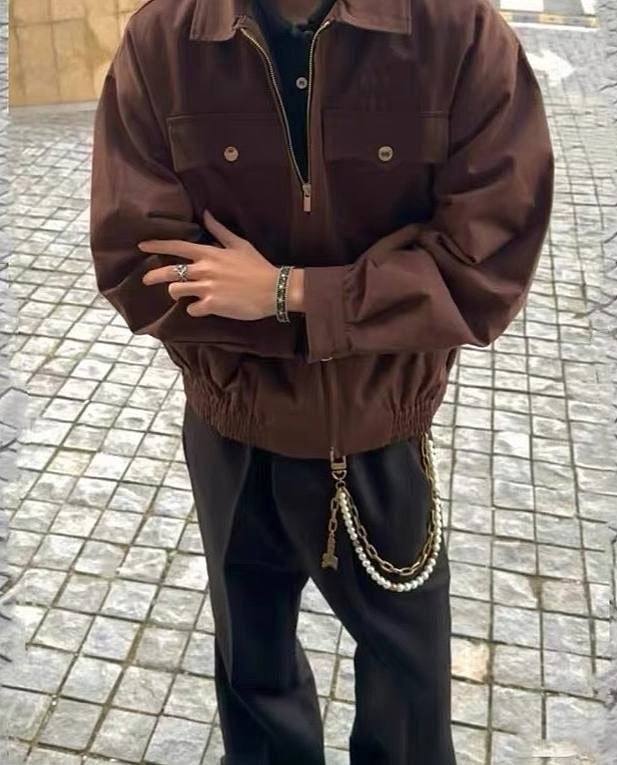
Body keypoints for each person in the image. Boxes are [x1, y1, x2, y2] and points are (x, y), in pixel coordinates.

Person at [89, 0, 554, 762]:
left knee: (409, 700)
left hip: (378, 433)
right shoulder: (164, 39)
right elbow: (135, 264)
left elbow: (484, 268)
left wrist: (290, 293)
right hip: (233, 431)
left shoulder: (455, 33)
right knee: (254, 681)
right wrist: (357, 307)